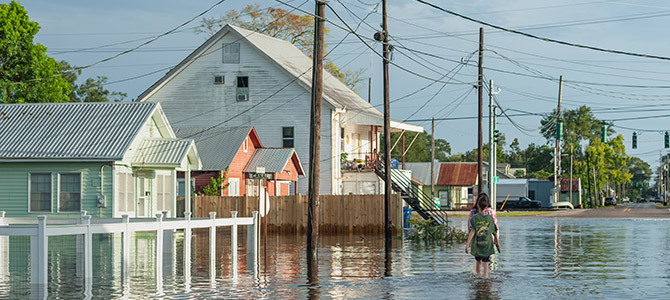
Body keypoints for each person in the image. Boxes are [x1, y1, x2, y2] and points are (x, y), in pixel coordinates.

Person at [465, 194, 499, 278]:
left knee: (478, 261)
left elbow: (471, 229)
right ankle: (485, 278)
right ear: (487, 204)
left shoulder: (474, 214)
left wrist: (468, 244)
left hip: (477, 241)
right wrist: (496, 241)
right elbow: (495, 228)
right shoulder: (490, 213)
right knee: (486, 262)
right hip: (487, 242)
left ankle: (478, 278)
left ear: (477, 204)